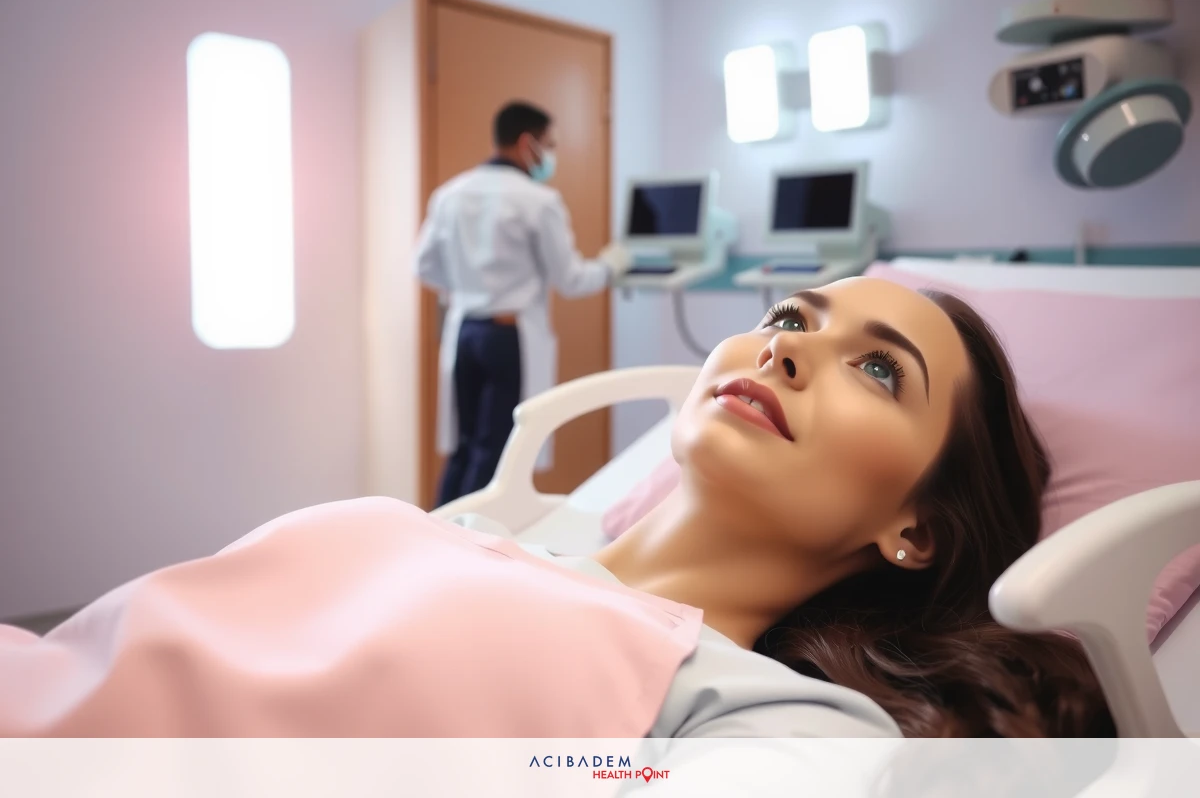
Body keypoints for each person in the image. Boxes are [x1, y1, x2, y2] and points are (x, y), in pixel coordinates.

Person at [1, 278, 1113, 741]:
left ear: (913, 529)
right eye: (789, 312)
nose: (786, 345)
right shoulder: (479, 531)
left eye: (880, 371)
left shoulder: (755, 717)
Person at [414, 100, 633, 507]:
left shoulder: (451, 194)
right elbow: (570, 280)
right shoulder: (538, 201)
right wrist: (610, 265)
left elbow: (423, 265)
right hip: (506, 338)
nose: (551, 156)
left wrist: (465, 289)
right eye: (549, 145)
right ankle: (471, 552)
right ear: (526, 142)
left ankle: (437, 536)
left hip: (465, 330)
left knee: (462, 449)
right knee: (494, 452)